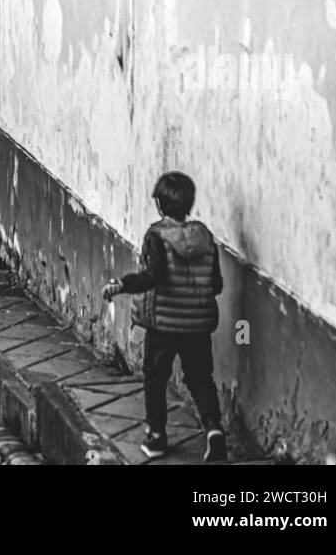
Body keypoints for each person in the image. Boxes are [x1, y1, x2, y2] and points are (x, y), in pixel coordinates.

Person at [103, 171, 227, 463]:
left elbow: (153, 276)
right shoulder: (205, 237)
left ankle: (157, 437)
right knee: (200, 378)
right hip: (198, 325)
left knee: (156, 378)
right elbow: (217, 284)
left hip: (164, 325)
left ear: (159, 204)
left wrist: (122, 284)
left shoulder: (156, 236)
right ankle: (214, 431)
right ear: (189, 203)